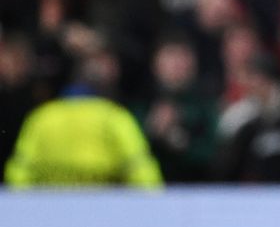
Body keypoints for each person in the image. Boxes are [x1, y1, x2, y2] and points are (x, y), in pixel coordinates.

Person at [5, 46, 163, 188]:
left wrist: (24, 209)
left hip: (50, 213)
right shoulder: (115, 118)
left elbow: (18, 172)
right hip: (106, 214)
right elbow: (143, 172)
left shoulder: (42, 117)